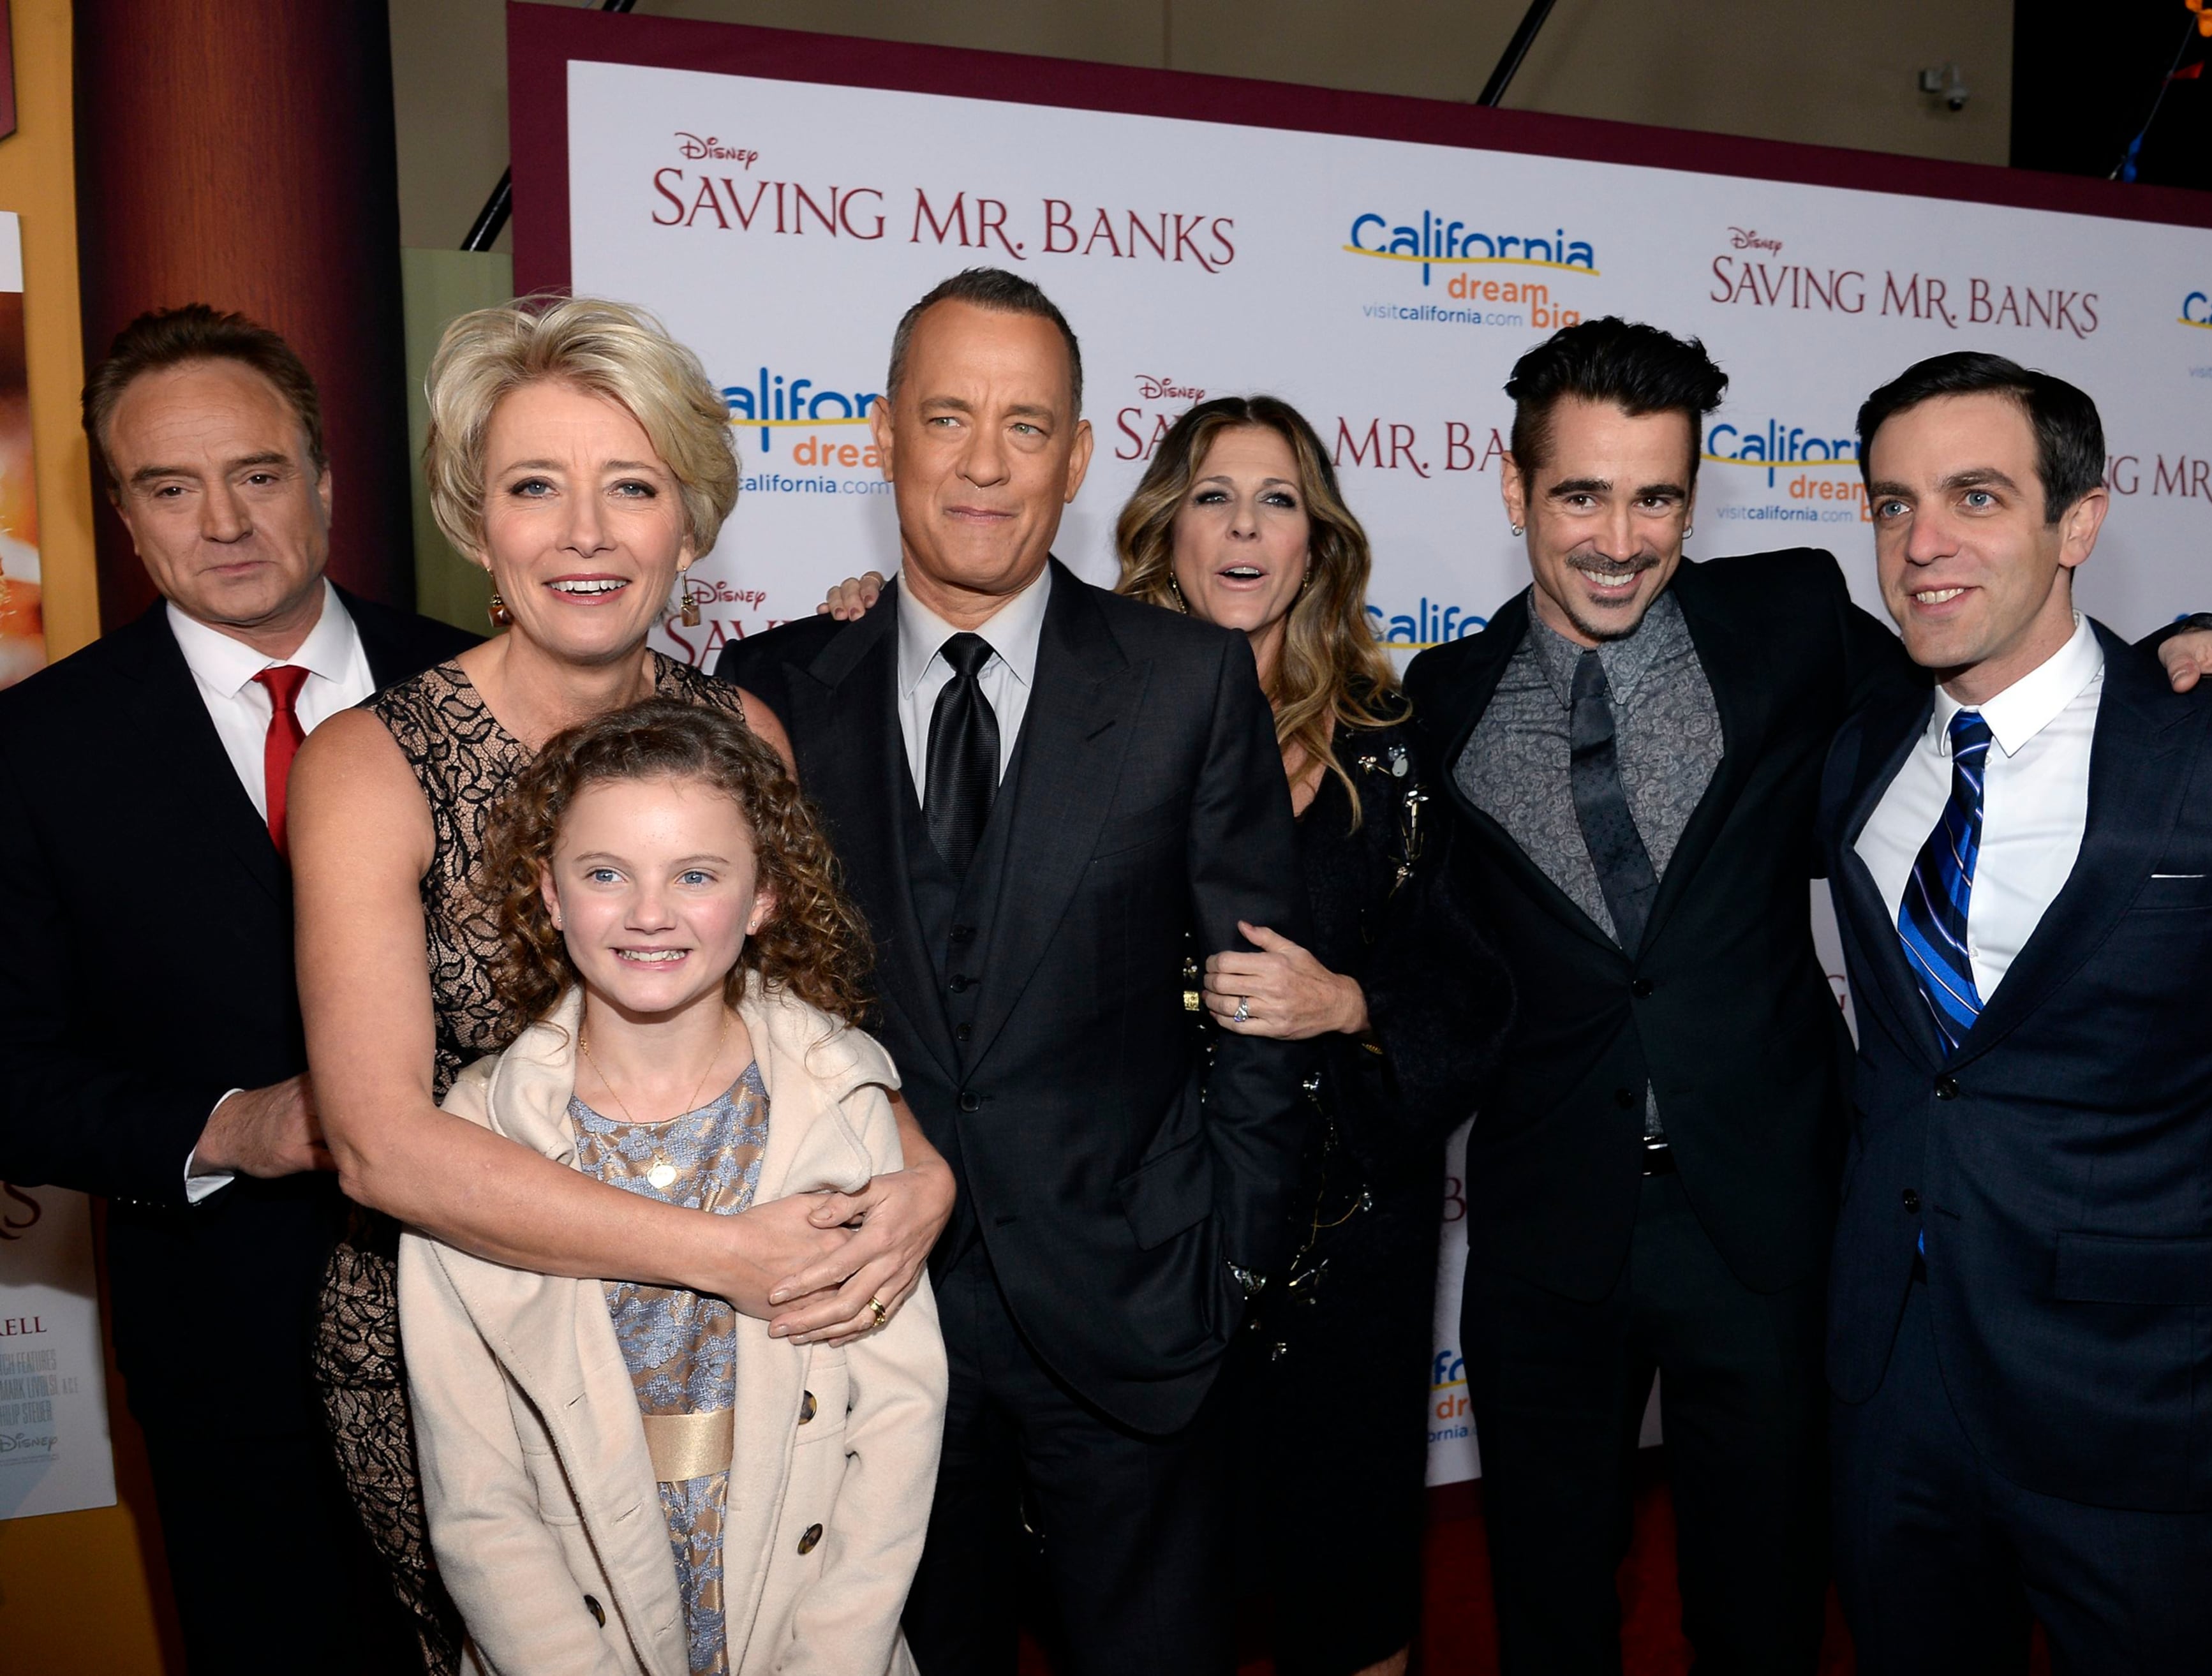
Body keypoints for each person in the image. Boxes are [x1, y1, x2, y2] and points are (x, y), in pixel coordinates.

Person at [1400, 317, 2212, 1675]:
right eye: (1581, 495)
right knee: (1548, 1602)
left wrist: (2198, 644)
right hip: (1547, 1231)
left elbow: (2006, 652)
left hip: (1775, 1220)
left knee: (1773, 1594)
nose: (1620, 536)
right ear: (1515, 491)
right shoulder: (1440, 700)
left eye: (1657, 495)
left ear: (1695, 494)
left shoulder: (1788, 619)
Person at [288, 295, 956, 1673]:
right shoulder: (373, 763)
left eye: (631, 485)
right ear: (479, 524)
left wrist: (926, 1168)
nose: (585, 532)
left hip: (765, 1359)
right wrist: (727, 1255)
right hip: (487, 1349)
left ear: (691, 521)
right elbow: (375, 1138)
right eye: (537, 486)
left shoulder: (741, 729)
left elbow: (803, 1018)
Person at [824, 394, 1506, 1676]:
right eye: (1212, 496)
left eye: (1279, 499)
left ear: (1321, 541)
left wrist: (1350, 1003)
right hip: (1114, 1240)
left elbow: (1473, 986)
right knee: (1123, 1604)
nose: (1245, 526)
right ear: (1162, 526)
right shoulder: (1067, 697)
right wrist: (881, 637)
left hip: (1340, 1254)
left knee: (1340, 1592)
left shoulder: (1398, 749)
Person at [717, 269, 1312, 1676]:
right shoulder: (777, 683)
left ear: (1083, 453)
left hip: (1136, 1303)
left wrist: (1228, 1254)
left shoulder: (1186, 679)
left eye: (1027, 424)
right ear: (881, 436)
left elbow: (1265, 994)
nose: (986, 463)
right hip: (864, 1313)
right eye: (949, 417)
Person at [1822, 350, 2212, 1670]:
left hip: (2150, 1402)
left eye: (1976, 495)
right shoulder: (1857, 742)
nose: (1923, 542)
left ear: (2079, 522)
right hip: (1894, 1390)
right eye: (1891, 503)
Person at [0, 304, 474, 1673]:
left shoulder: (476, 687)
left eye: (258, 473)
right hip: (234, 1361)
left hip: (506, 1319)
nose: (222, 519)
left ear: (324, 480)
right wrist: (228, 1125)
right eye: (169, 485)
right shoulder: (38, 752)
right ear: (124, 518)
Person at [399, 700, 946, 1676]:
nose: (649, 913)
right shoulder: (472, 1144)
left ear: (765, 896)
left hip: (816, 1631)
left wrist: (832, 1657)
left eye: (697, 874)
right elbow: (476, 1495)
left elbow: (899, 1420)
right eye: (605, 873)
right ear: (551, 893)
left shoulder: (842, 1101)